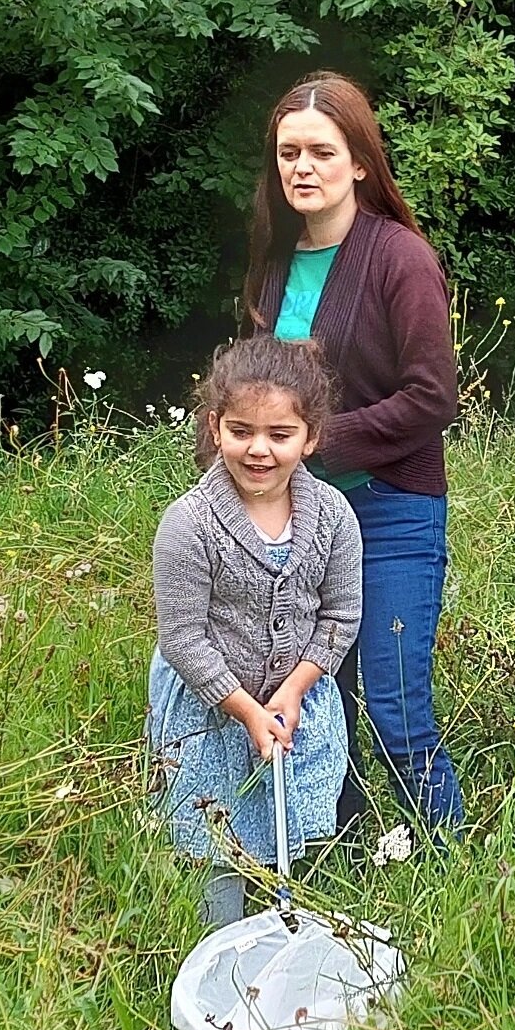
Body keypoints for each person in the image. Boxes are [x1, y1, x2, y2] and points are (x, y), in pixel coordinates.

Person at [240, 71, 464, 837]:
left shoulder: (400, 258)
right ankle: (339, 856)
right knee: (317, 700)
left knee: (397, 705)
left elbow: (434, 399)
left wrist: (313, 441)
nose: (302, 168)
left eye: (321, 153)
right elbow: (257, 393)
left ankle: (449, 867)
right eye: (288, 153)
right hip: (299, 522)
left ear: (360, 162)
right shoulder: (274, 261)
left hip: (391, 510)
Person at [149, 336, 362, 927]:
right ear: (215, 428)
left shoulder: (334, 517)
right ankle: (219, 954)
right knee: (214, 845)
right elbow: (184, 639)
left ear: (311, 437)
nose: (258, 450)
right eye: (241, 431)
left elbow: (341, 616)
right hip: (210, 710)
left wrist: (295, 690)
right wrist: (246, 710)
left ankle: (281, 947)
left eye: (279, 435)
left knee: (286, 839)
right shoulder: (189, 524)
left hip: (296, 704)